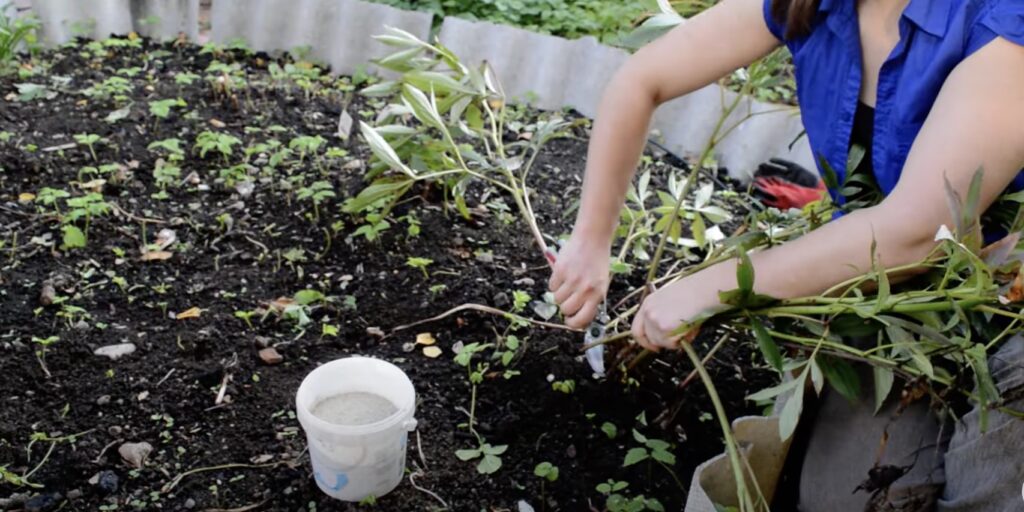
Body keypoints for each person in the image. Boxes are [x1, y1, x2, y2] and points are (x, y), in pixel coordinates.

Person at [547, 0, 1024, 509]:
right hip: (902, 297)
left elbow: (920, 230)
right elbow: (641, 79)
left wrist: (719, 284)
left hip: (1005, 298)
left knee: (992, 489)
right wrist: (589, 243)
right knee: (845, 499)